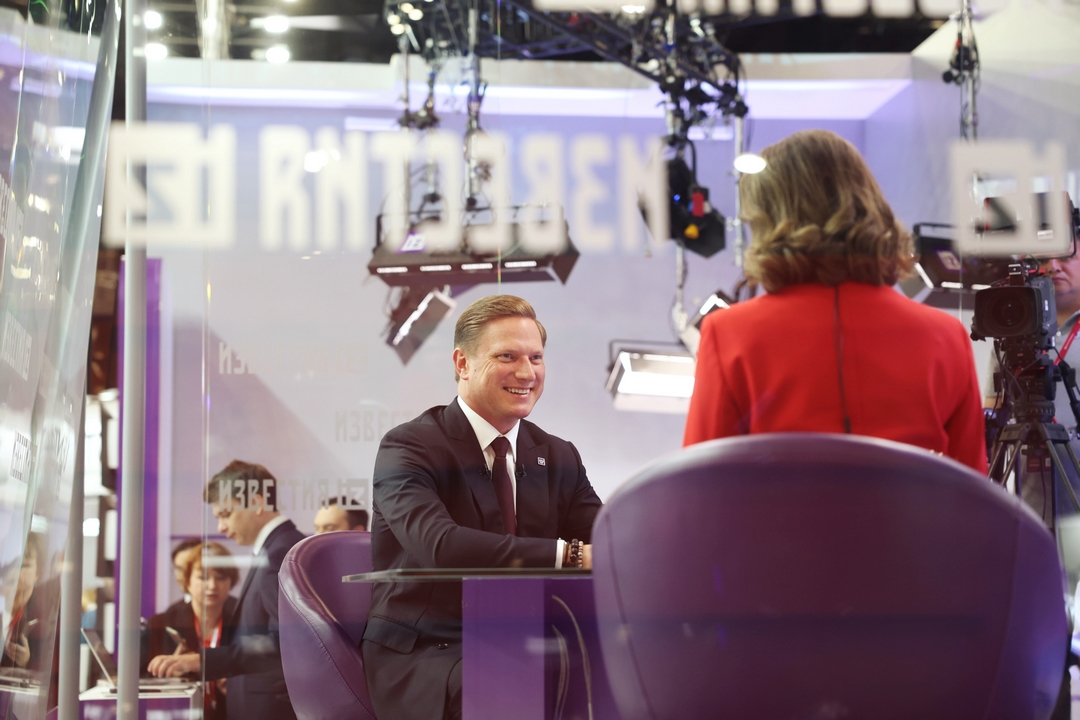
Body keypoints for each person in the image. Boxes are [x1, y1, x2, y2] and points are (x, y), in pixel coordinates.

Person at [683, 129, 987, 474]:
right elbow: (973, 490)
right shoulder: (946, 336)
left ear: (768, 221)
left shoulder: (728, 334)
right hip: (912, 513)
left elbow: (698, 486)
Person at [362, 294, 603, 720]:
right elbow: (440, 546)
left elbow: (606, 536)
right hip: (432, 649)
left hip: (527, 638)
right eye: (507, 356)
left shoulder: (557, 454)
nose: (526, 373)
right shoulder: (409, 446)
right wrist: (569, 555)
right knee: (511, 682)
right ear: (463, 364)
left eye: (536, 358)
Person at [148, 460, 305, 720]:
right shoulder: (276, 549)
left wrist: (200, 661)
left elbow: (283, 641)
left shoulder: (279, 554)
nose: (221, 527)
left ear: (255, 503)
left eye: (225, 514)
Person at [146, 542, 238, 720]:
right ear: (187, 582)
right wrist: (169, 677)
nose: (212, 585)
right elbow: (138, 678)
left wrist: (236, 683)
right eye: (203, 578)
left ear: (231, 582)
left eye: (220, 578)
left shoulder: (244, 621)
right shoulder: (161, 624)